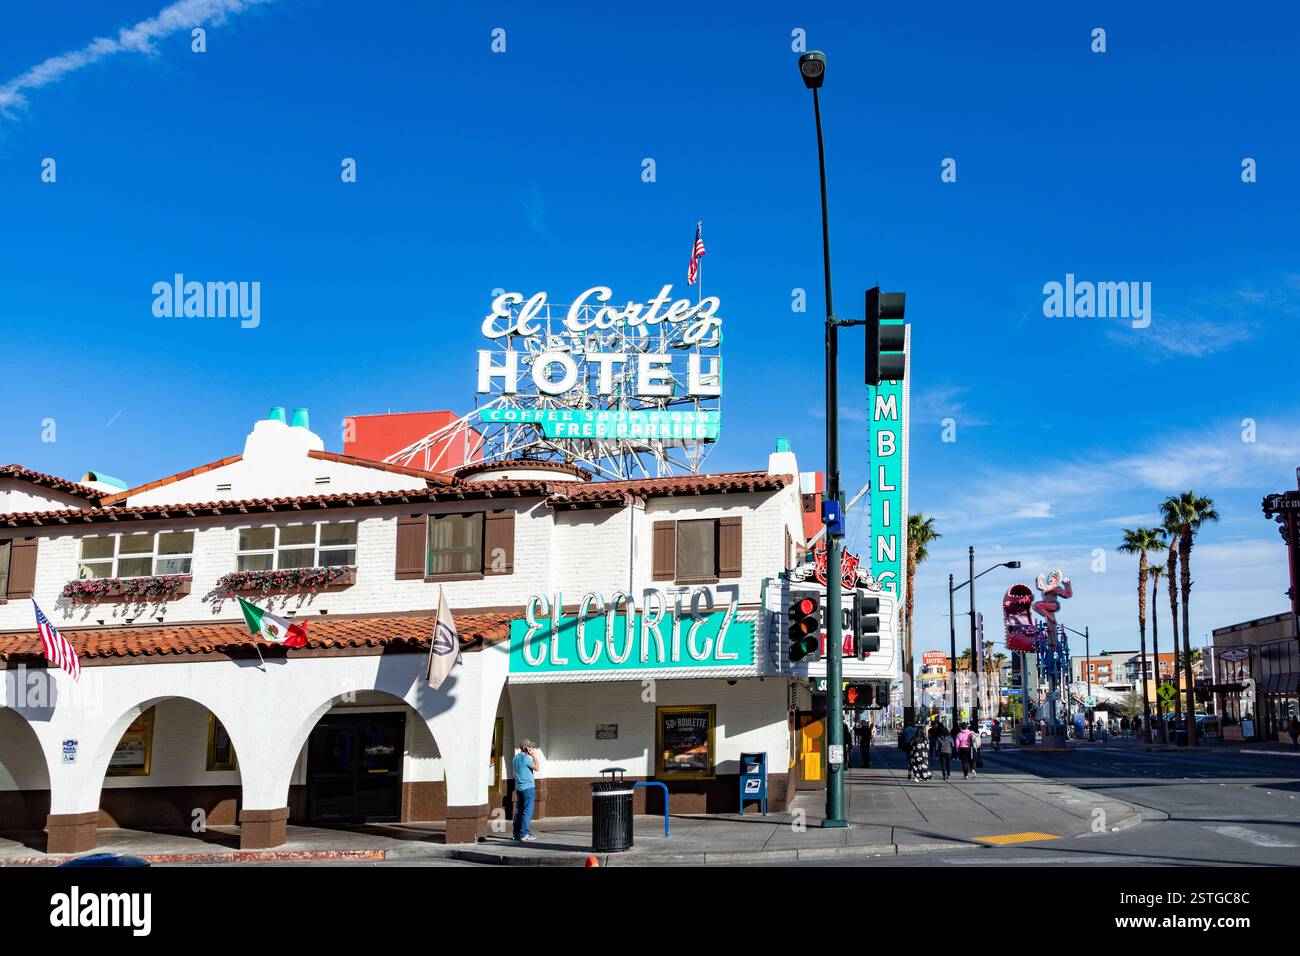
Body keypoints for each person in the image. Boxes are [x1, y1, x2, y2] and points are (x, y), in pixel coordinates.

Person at [512, 738, 540, 842]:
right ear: (525, 748)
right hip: (528, 788)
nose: (532, 748)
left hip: (519, 788)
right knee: (527, 811)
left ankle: (516, 833)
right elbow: (537, 768)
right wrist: (533, 755)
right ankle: (524, 834)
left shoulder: (515, 759)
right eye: (530, 747)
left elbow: (514, 774)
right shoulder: (526, 758)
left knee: (519, 811)